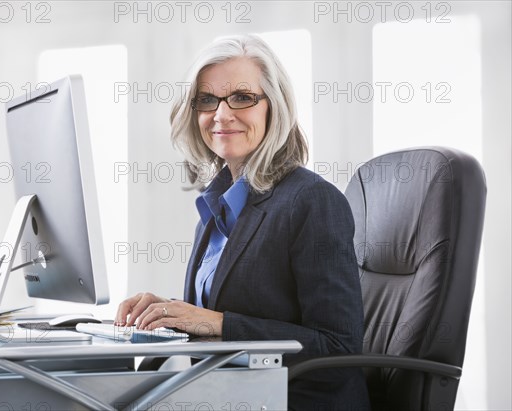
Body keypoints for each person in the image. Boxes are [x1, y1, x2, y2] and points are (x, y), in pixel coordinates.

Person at [115, 34, 369, 410]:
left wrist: (217, 323)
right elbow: (240, 310)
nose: (221, 114)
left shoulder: (311, 201)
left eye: (242, 97)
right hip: (226, 398)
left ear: (274, 107)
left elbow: (338, 347)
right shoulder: (215, 208)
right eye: (207, 100)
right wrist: (170, 313)